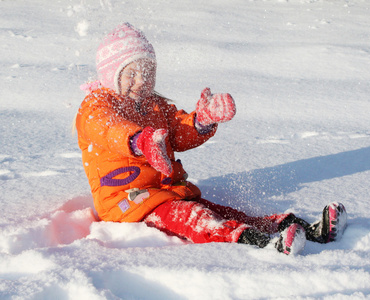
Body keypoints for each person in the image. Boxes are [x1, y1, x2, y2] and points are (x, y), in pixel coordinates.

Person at [76, 22, 347, 255]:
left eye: (147, 73)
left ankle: (305, 230)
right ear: (112, 74)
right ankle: (266, 246)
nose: (141, 81)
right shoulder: (96, 105)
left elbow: (179, 132)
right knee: (199, 219)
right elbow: (108, 129)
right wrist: (140, 141)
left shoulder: (153, 105)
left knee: (226, 214)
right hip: (127, 203)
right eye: (131, 73)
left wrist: (202, 120)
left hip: (166, 193)